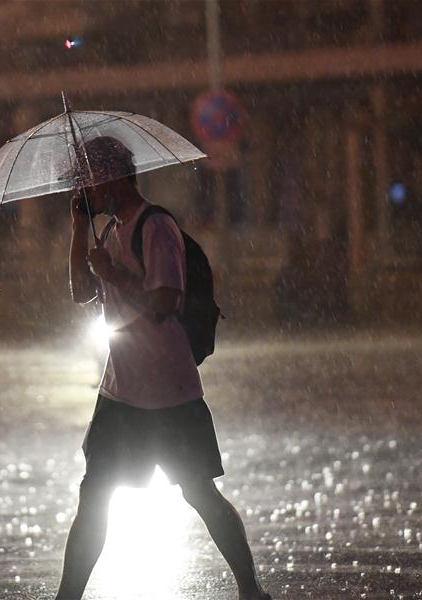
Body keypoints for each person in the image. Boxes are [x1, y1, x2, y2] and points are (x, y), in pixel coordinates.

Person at [56, 137, 270, 600]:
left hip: (169, 392)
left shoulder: (155, 227)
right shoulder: (109, 232)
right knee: (94, 498)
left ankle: (251, 590)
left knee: (199, 492)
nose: (86, 191)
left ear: (113, 177)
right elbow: (80, 292)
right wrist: (79, 228)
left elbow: (165, 301)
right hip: (119, 393)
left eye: (90, 181)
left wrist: (113, 274)